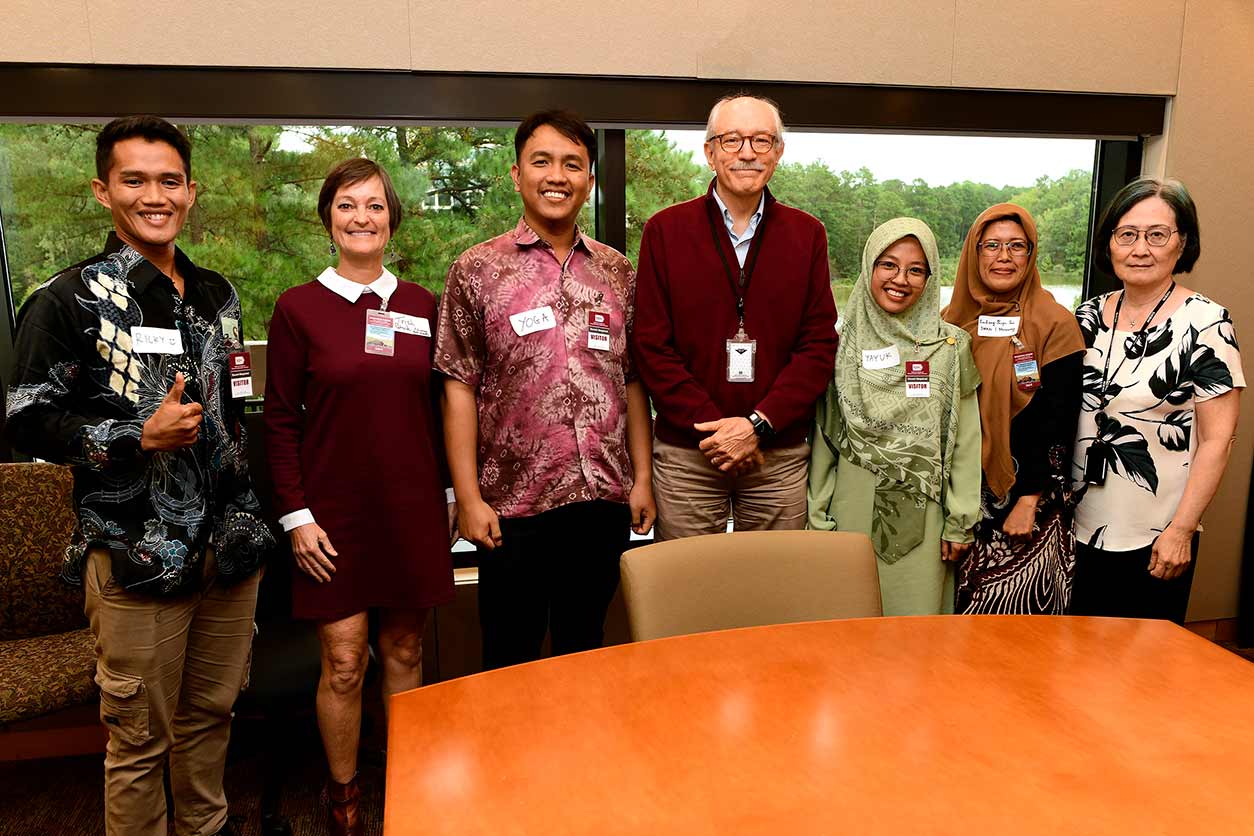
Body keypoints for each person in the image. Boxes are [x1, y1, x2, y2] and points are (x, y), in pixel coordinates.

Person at [4, 115, 273, 836]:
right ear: (103, 190)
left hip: (228, 552)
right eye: (134, 180)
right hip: (135, 558)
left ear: (191, 191)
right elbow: (25, 419)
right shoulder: (66, 299)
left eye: (168, 180)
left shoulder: (218, 293)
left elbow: (230, 408)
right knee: (138, 743)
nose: (154, 195)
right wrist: (134, 435)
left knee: (211, 720)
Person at [263, 158, 455, 834]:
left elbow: (443, 409)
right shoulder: (297, 308)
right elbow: (280, 420)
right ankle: (342, 792)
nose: (362, 217)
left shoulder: (422, 304)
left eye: (375, 205)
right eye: (348, 205)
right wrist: (296, 516)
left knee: (404, 651)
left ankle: (405, 775)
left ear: (392, 219)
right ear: (328, 218)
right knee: (344, 660)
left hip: (410, 509)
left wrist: (455, 492)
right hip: (331, 515)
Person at [435, 110, 655, 670]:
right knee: (510, 658)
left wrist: (643, 479)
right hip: (512, 508)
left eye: (572, 164)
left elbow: (630, 380)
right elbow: (458, 386)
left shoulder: (617, 272)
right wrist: (467, 498)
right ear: (516, 174)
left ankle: (579, 759)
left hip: (601, 500)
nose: (557, 176)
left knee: (585, 653)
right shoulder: (476, 269)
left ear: (589, 180)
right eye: (542, 161)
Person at [632, 93, 838, 540]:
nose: (747, 152)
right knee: (687, 589)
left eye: (762, 140)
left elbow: (818, 345)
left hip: (777, 455)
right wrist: (720, 433)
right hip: (689, 453)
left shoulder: (807, 235)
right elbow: (651, 346)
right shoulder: (665, 231)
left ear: (778, 153)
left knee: (772, 590)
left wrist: (757, 426)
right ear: (709, 153)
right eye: (731, 140)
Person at [1071, 178, 1243, 623]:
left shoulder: (1207, 323)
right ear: (1109, 242)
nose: (1140, 248)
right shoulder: (1086, 317)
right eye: (1126, 234)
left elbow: (1217, 440)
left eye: (1157, 235)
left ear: (1182, 243)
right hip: (1075, 524)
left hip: (1156, 530)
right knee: (1070, 662)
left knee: (1145, 670)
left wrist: (1182, 530)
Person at [808, 218, 981, 615]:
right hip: (848, 515)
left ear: (929, 277)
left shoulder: (951, 347)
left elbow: (966, 440)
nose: (900, 279)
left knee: (916, 641)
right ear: (869, 266)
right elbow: (825, 437)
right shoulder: (838, 347)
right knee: (845, 632)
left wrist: (960, 519)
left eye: (916, 269)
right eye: (888, 264)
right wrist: (817, 518)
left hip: (927, 524)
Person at [942, 204, 1086, 614]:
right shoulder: (951, 323)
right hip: (962, 501)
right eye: (991, 245)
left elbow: (1060, 420)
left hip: (1025, 507)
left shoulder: (1054, 323)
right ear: (974, 253)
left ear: (1031, 254)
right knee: (952, 630)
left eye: (1016, 246)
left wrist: (1028, 499)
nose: (1003, 257)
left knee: (1019, 636)